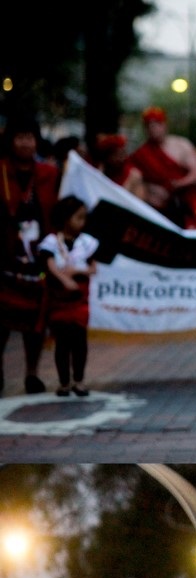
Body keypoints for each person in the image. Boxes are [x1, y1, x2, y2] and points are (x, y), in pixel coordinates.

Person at [0, 112, 59, 394]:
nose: (25, 144)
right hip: (5, 255)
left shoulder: (49, 174)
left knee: (36, 322)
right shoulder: (0, 171)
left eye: (30, 138)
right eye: (20, 138)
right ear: (10, 141)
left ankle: (32, 373)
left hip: (37, 255)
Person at [38, 196, 99, 396]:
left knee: (79, 341)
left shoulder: (86, 243)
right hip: (59, 299)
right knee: (62, 342)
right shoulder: (51, 242)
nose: (82, 222)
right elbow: (49, 265)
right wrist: (64, 279)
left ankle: (79, 380)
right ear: (66, 219)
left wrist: (76, 272)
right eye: (78, 218)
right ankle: (64, 382)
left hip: (79, 299)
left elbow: (93, 268)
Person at [129, 106, 196, 229]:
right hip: (158, 210)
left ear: (165, 125)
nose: (153, 128)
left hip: (187, 203)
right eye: (149, 125)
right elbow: (134, 178)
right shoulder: (141, 154)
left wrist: (177, 184)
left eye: (156, 124)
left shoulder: (181, 145)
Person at [91, 134, 146, 200]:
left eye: (122, 154)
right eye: (116, 155)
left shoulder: (134, 176)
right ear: (107, 157)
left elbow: (139, 203)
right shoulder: (98, 173)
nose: (121, 158)